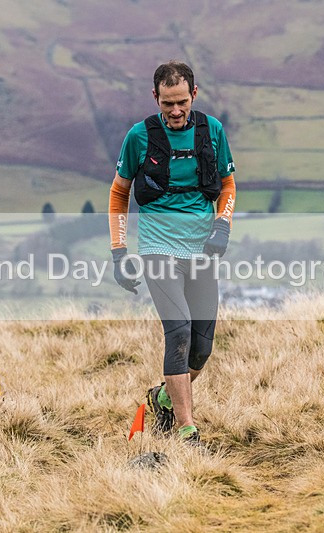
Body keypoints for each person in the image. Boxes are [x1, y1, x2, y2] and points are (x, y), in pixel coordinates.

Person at [107, 60, 236, 445]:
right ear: (155, 99)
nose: (176, 111)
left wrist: (222, 226)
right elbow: (118, 193)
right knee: (177, 332)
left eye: (182, 102)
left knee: (203, 345)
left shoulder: (212, 131)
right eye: (167, 104)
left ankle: (162, 397)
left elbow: (227, 185)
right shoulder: (138, 136)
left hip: (202, 250)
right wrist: (118, 252)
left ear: (194, 95)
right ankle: (186, 428)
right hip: (158, 249)